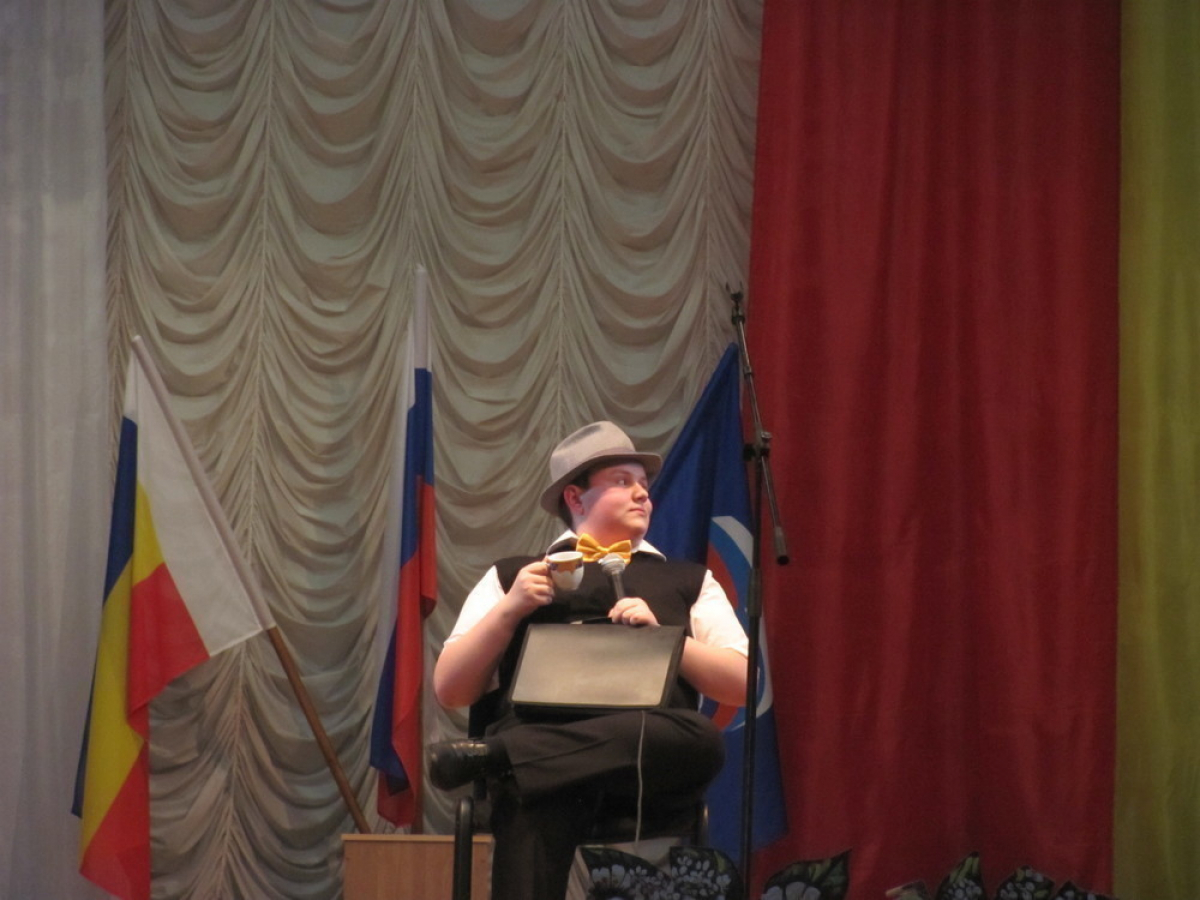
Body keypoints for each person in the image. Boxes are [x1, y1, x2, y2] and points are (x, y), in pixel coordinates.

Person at [431, 421, 749, 900]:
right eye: (622, 481)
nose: (642, 494)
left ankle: (503, 756)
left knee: (701, 739)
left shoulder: (689, 580)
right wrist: (510, 610)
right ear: (575, 499)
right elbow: (451, 689)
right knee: (533, 794)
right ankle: (523, 759)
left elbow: (742, 683)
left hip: (641, 750)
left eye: (644, 484)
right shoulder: (514, 576)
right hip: (545, 759)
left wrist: (668, 641)